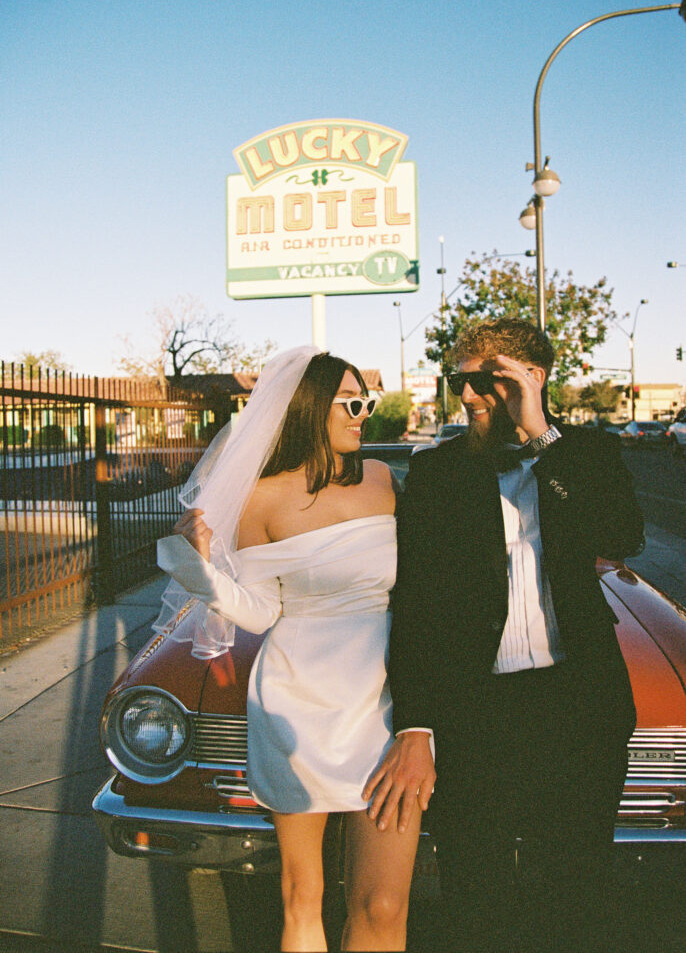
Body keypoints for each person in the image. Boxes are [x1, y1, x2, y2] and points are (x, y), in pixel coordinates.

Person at [365, 318, 644, 952]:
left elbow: (620, 535)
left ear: (529, 378)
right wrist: (416, 725)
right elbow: (416, 607)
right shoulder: (438, 474)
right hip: (475, 710)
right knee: (475, 890)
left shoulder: (585, 455)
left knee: (576, 889)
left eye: (484, 380)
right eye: (459, 381)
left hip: (577, 703)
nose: (467, 396)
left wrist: (543, 434)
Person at [155, 347, 421, 953]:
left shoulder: (382, 479)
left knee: (381, 902)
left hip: (385, 702)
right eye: (352, 403)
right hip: (294, 704)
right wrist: (200, 571)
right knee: (302, 896)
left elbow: (425, 587)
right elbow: (261, 609)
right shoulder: (258, 500)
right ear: (308, 409)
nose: (364, 414)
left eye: (367, 402)